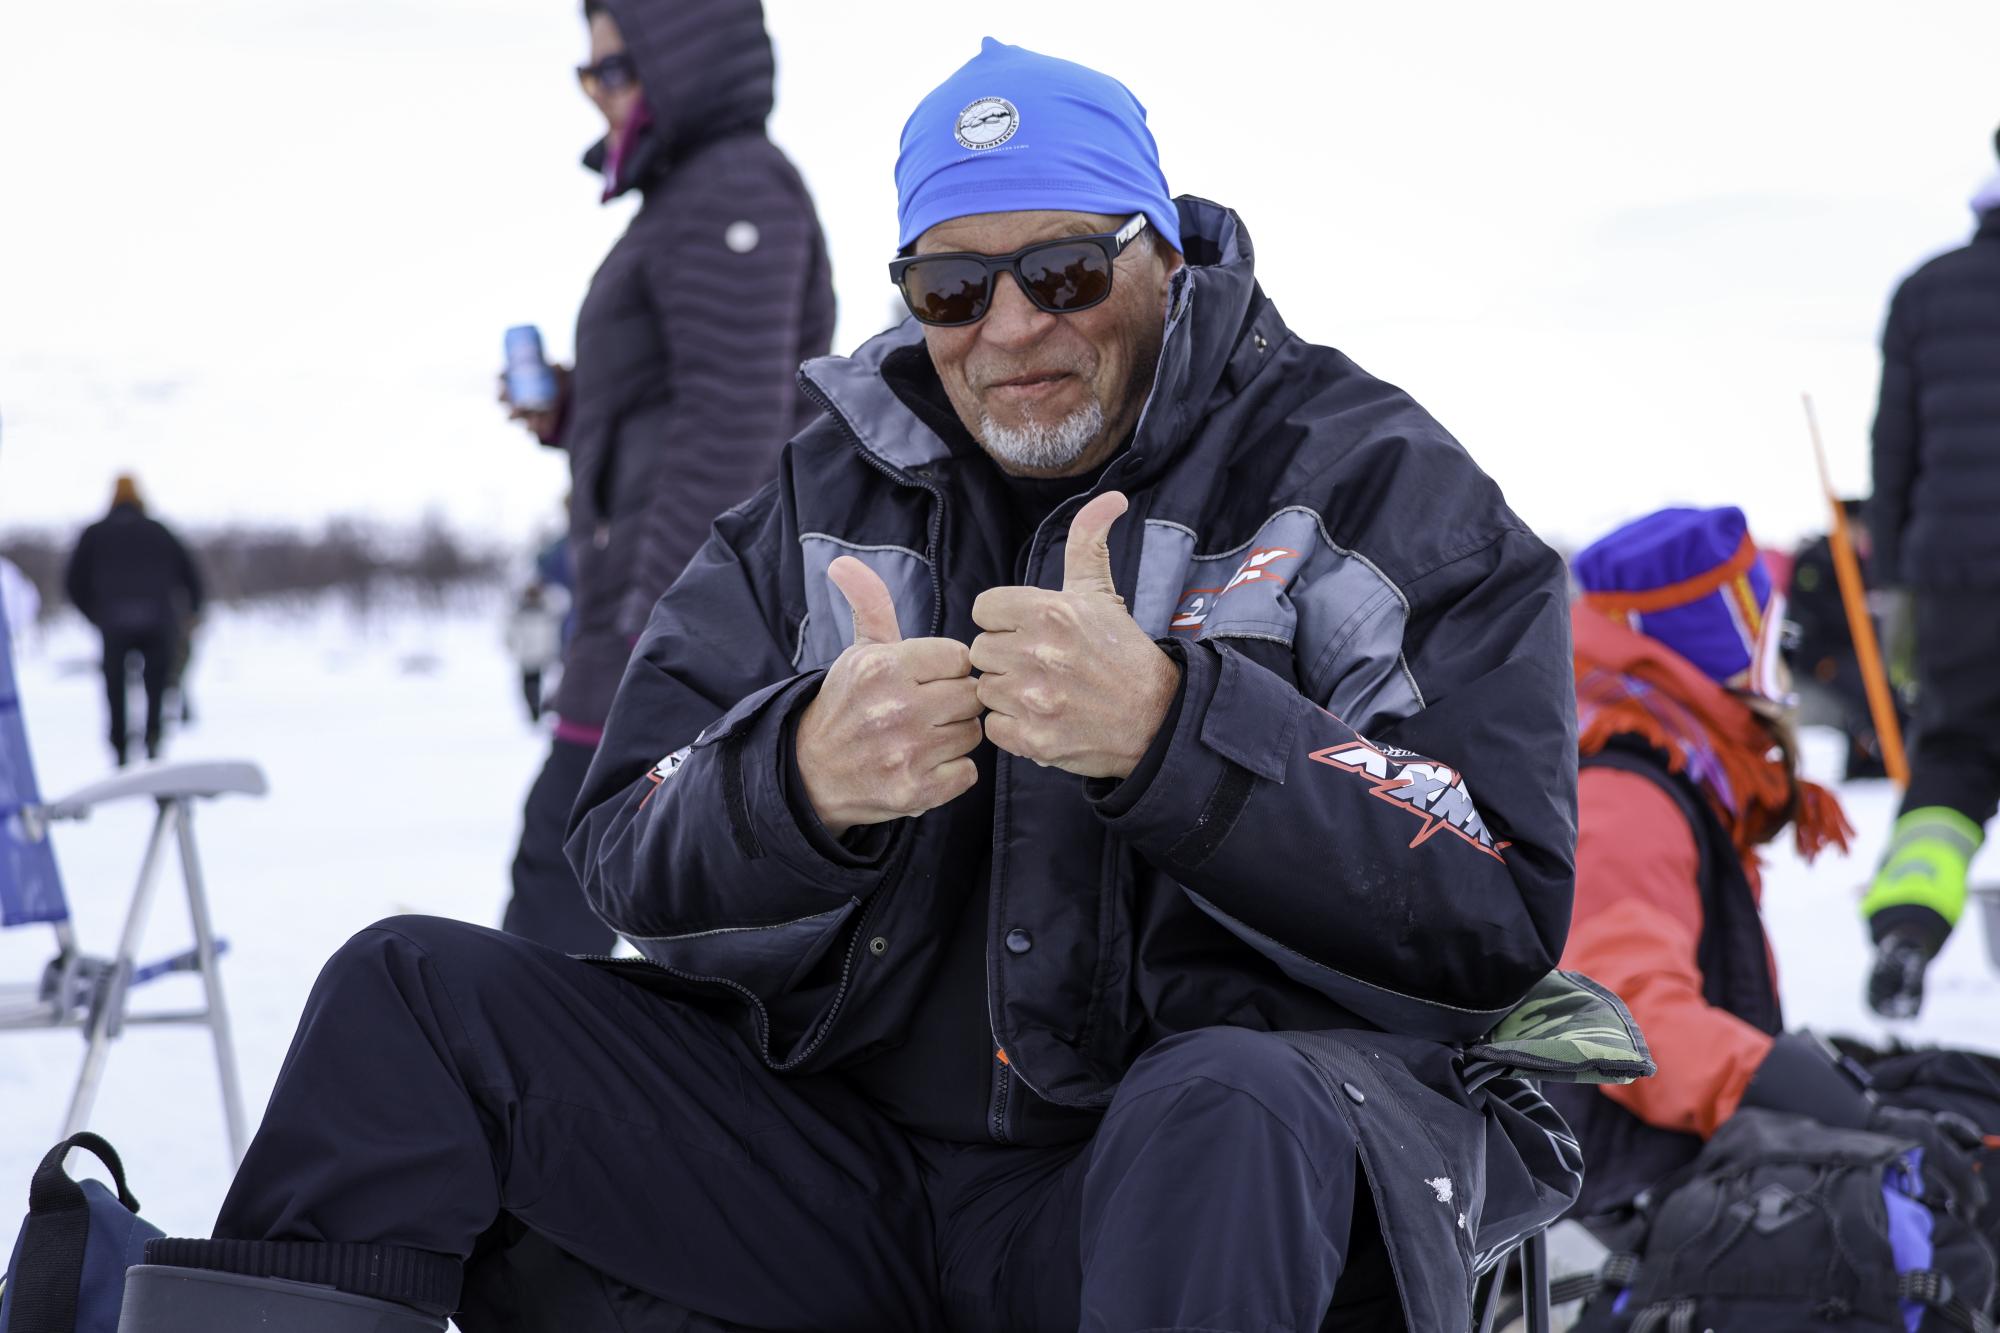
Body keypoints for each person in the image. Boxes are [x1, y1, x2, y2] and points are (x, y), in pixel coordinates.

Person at [120, 40, 1582, 1333]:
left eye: (1063, 272)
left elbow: (1501, 895)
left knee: (1229, 1107)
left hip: (1182, 1184)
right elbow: (624, 833)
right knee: (411, 996)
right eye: (953, 284)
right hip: (845, 1171)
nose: (1010, 329)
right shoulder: (826, 472)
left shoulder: (1369, 480)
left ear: (1165, 259)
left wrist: (1176, 737)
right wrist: (796, 782)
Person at [1547, 508, 1996, 1323]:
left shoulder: (1661, 760)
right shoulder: (1627, 791)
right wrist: (1815, 1099)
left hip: (1668, 1148)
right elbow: (1615, 1013)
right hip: (1629, 1186)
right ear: (1717, 641)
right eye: (1764, 626)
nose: (1779, 659)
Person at [497, 0, 835, 954]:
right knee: (584, 869)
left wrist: (665, 632)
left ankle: (517, 1084)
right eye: (588, 73)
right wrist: (573, 412)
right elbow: (682, 406)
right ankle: (533, 1084)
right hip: (640, 609)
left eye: (613, 70)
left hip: (667, 619)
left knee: (574, 872)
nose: (597, 94)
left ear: (679, 63)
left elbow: (733, 427)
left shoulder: (734, 189)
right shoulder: (688, 197)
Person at [1862, 126, 2000, 1019]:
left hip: (1958, 578)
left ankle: (1909, 930)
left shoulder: (1927, 289)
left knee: (1952, 758)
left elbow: (1895, 449)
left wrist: (1894, 565)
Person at [63, 475, 203, 767]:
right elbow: (191, 575)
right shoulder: (159, 531)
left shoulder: (95, 533)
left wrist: (96, 615)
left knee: (115, 686)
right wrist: (193, 611)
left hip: (114, 624)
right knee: (156, 682)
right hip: (158, 622)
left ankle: (120, 750)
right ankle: (153, 740)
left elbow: (73, 582)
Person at [1784, 499, 1908, 780]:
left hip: (1857, 654)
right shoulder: (1817, 559)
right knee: (1865, 692)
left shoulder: (1860, 564)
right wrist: (1859, 612)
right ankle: (1869, 755)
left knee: (1889, 691)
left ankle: (1883, 756)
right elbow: (1811, 612)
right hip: (1822, 656)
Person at [504, 580, 568, 723]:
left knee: (538, 685)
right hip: (526, 657)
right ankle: (533, 711)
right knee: (528, 687)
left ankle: (538, 711)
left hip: (541, 657)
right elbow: (510, 635)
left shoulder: (546, 611)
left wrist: (551, 652)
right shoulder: (518, 614)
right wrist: (515, 648)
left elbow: (552, 633)